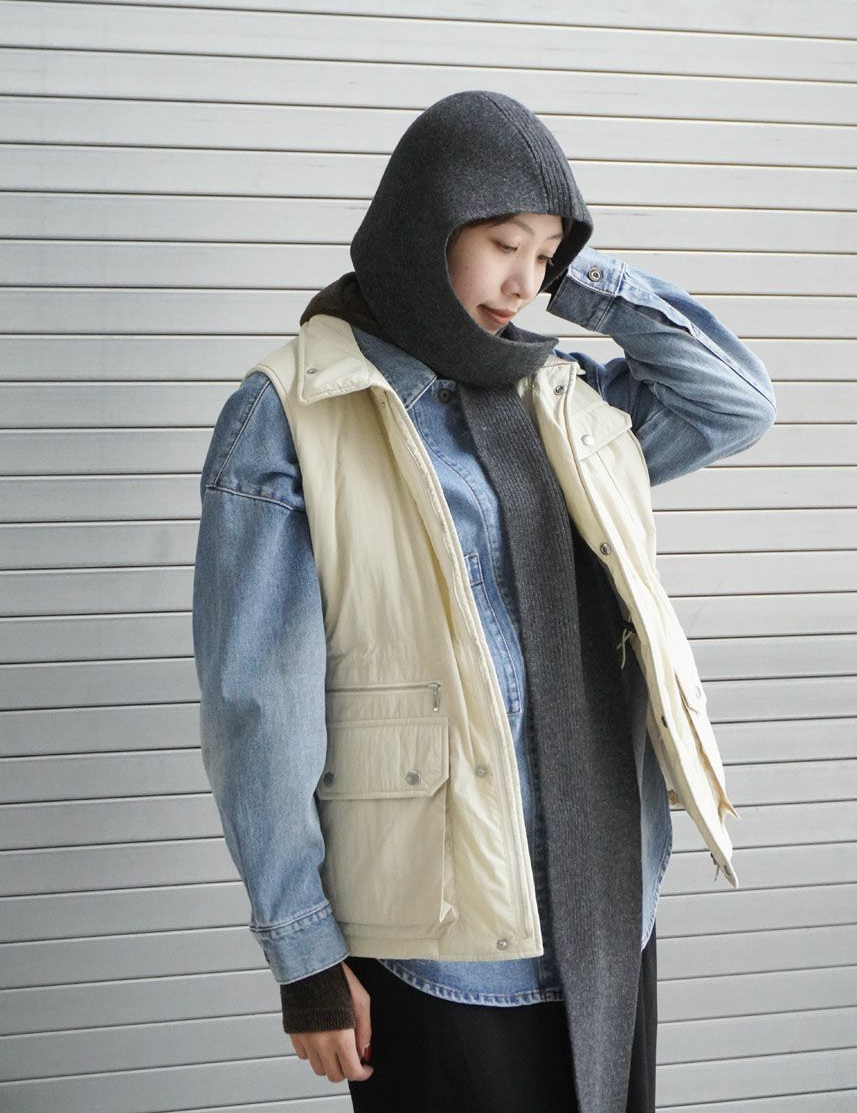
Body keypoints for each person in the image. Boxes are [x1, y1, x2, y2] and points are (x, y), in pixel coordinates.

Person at [192, 90, 777, 1112]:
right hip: (439, 939)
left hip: (605, 905)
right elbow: (259, 706)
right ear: (425, 232)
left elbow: (734, 401)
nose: (524, 281)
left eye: (544, 255)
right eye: (504, 244)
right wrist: (303, 954)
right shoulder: (292, 417)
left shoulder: (567, 398)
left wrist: (578, 276)